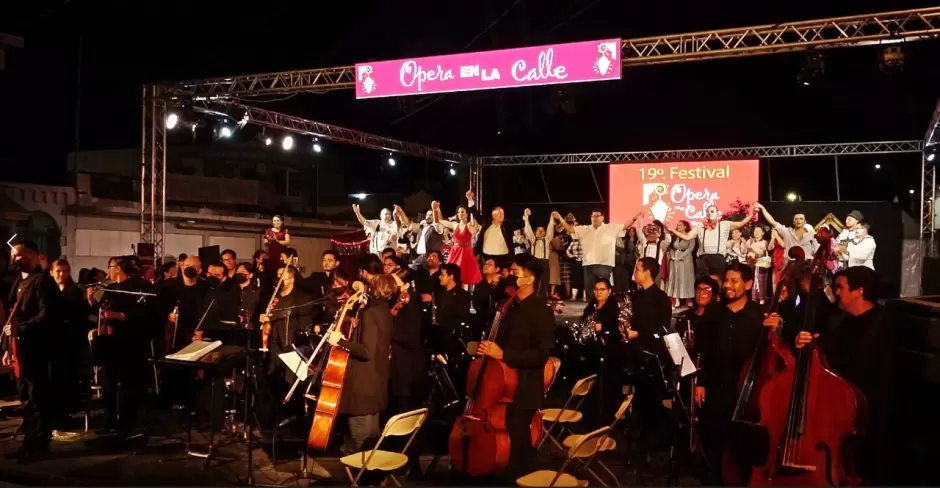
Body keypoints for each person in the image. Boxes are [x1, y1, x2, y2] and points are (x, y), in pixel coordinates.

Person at [789, 265, 893, 484]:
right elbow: (821, 356)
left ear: (859, 291)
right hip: (837, 414)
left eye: (840, 287)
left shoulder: (886, 324)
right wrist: (804, 344)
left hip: (871, 417)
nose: (836, 292)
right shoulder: (838, 323)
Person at [475, 255, 555, 482]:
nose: (510, 275)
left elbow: (541, 355)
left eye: (515, 271)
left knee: (520, 445)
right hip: (503, 387)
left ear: (529, 279)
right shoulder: (510, 307)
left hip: (524, 388)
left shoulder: (541, 311)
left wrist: (503, 354)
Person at [693, 262, 767, 485]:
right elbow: (702, 350)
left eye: (734, 281)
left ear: (748, 284)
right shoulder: (714, 312)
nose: (727, 285)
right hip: (716, 388)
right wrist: (700, 383)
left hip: (747, 391)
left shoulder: (759, 315)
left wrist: (777, 329)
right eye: (726, 280)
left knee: (742, 446)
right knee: (713, 441)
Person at [326, 261, 394, 454]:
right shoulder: (385, 312)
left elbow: (366, 351)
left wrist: (340, 341)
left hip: (364, 385)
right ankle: (374, 478)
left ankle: (365, 479)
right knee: (372, 436)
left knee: (361, 440)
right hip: (376, 382)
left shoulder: (370, 313)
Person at [2, 242, 60, 462]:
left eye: (18, 255)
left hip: (38, 349)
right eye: (12, 255)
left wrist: (21, 329)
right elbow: (12, 317)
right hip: (20, 348)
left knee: (38, 397)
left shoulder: (44, 281)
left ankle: (40, 444)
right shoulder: (18, 281)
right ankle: (28, 442)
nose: (14, 259)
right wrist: (8, 347)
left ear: (33, 255)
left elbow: (48, 316)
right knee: (25, 398)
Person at [557, 210, 639, 293]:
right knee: (590, 290)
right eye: (593, 216)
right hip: (588, 264)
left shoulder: (610, 228)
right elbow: (570, 229)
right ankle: (592, 305)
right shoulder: (584, 229)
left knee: (602, 290)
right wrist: (560, 218)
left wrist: (634, 218)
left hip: (604, 264)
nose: (595, 218)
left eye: (597, 216)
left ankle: (604, 306)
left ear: (602, 218)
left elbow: (624, 226)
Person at [668, 204, 755, 278]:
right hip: (703, 259)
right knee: (702, 282)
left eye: (712, 211)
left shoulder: (724, 225)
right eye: (708, 212)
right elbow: (687, 237)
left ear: (717, 214)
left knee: (717, 282)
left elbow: (741, 223)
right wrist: (673, 230)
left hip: (718, 258)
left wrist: (753, 213)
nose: (710, 213)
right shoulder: (700, 226)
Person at [432, 200, 482, 286]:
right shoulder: (455, 224)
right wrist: (436, 209)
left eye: (463, 212)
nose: (460, 214)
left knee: (465, 277)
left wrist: (474, 225)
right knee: (452, 275)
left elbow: (474, 231)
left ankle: (464, 296)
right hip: (455, 252)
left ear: (467, 214)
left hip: (466, 252)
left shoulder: (469, 224)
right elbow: (439, 220)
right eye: (459, 212)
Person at [466, 190, 514, 266]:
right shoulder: (486, 224)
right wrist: (470, 199)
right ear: (493, 215)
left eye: (503, 213)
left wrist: (526, 217)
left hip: (502, 258)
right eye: (500, 213)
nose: (502, 215)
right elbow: (476, 213)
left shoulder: (507, 226)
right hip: (486, 257)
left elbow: (520, 223)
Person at [523, 208, 558, 299]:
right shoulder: (533, 239)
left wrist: (551, 218)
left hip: (544, 262)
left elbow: (550, 228)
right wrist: (526, 217)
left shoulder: (547, 239)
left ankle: (542, 298)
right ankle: (532, 297)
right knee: (534, 281)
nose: (540, 232)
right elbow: (528, 230)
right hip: (535, 262)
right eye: (538, 230)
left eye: (542, 230)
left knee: (545, 281)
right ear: (536, 232)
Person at [666, 220, 696, 307]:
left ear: (685, 227)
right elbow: (671, 247)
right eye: (677, 225)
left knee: (686, 278)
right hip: (674, 260)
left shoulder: (690, 236)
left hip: (685, 260)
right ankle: (676, 300)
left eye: (680, 225)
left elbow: (690, 248)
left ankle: (688, 299)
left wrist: (681, 256)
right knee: (675, 279)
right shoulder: (674, 236)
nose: (678, 226)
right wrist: (672, 256)